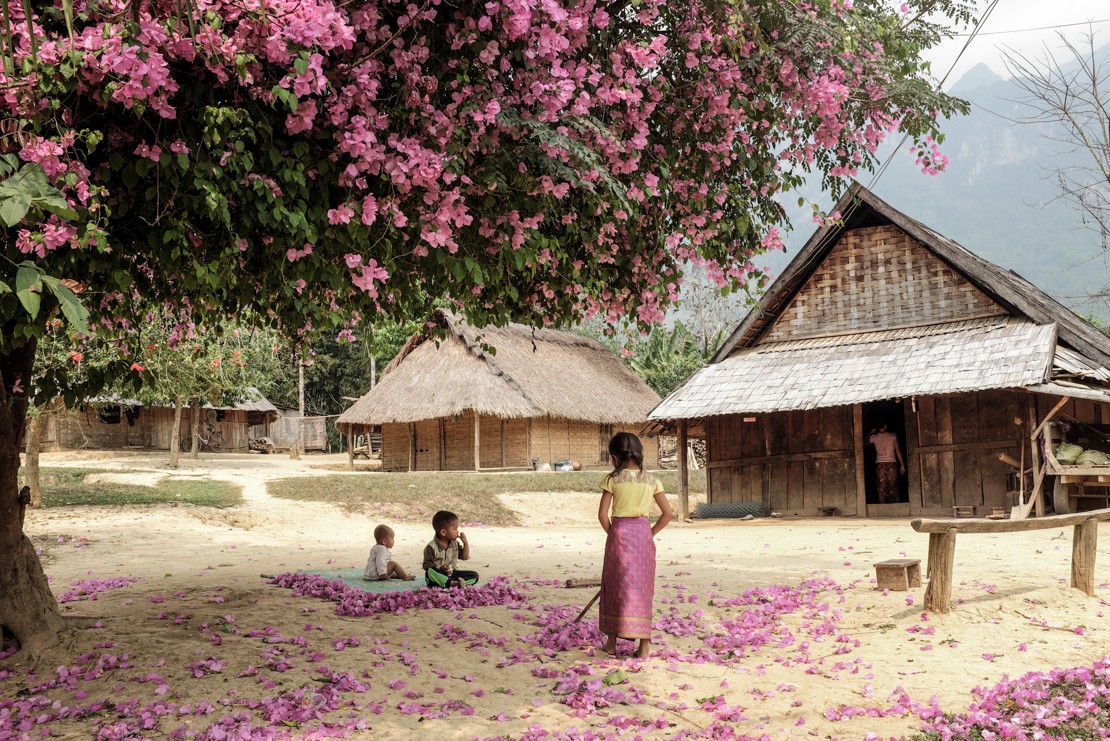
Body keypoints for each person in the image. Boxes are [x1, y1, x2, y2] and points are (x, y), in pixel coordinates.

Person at [597, 432, 673, 659]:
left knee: (614, 587)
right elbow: (667, 514)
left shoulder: (613, 480)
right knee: (642, 589)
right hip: (642, 537)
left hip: (619, 535)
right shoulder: (652, 481)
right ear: (639, 454)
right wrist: (649, 534)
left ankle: (611, 644)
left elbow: (602, 515)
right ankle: (644, 647)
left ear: (614, 456)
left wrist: (614, 535)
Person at [422, 510, 479, 588]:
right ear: (443, 532)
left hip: (451, 575)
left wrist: (465, 543)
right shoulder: (431, 547)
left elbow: (464, 557)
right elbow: (426, 566)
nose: (457, 531)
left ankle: (455, 583)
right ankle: (452, 583)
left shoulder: (455, 543)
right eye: (455, 529)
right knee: (430, 571)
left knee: (474, 575)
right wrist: (440, 568)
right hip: (438, 578)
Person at [867, 422, 906, 504]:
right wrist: (902, 465)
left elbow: (861, 444)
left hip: (880, 464)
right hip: (892, 463)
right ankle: (895, 505)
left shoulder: (874, 437)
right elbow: (898, 451)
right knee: (893, 485)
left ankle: (882, 505)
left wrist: (871, 432)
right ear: (885, 426)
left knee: (881, 486)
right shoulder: (893, 436)